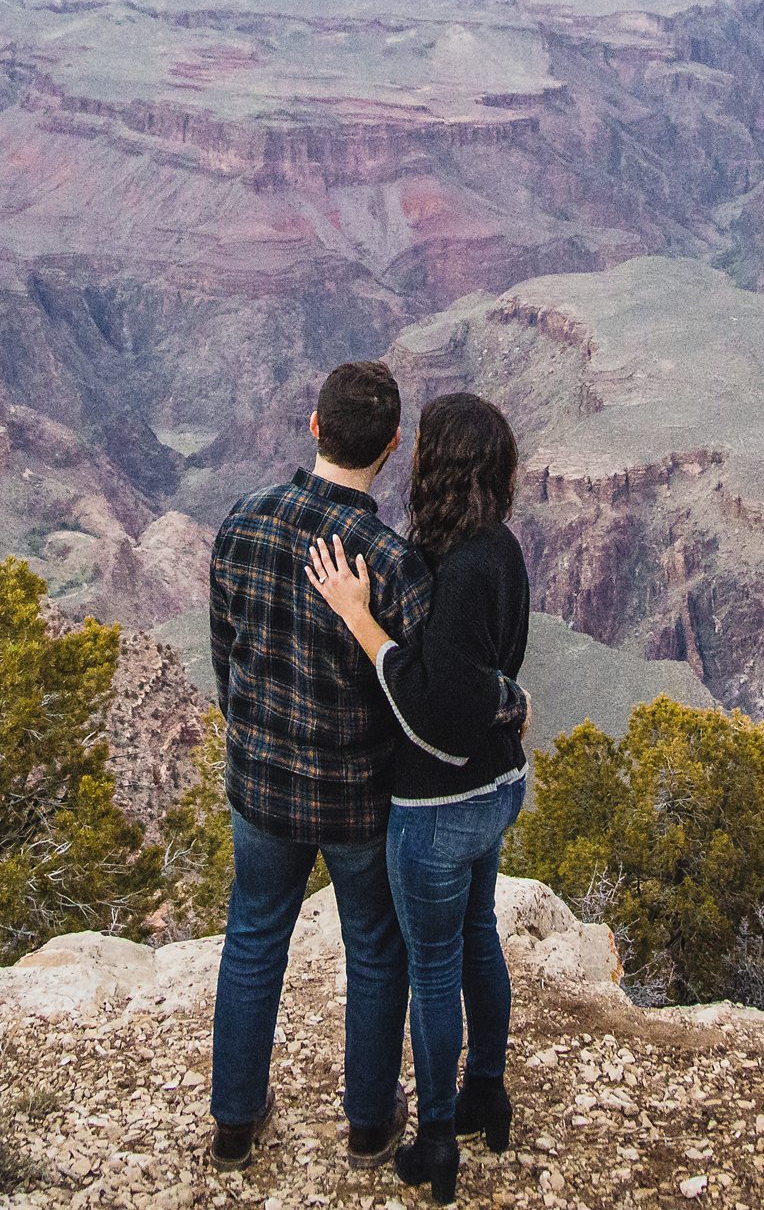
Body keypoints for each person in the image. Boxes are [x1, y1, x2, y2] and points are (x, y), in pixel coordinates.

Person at [205, 360, 435, 1172]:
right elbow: (416, 692)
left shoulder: (244, 521)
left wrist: (251, 736)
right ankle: (371, 1126)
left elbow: (225, 654)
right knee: (376, 948)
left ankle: (235, 1123)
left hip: (261, 784)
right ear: (394, 446)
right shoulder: (392, 561)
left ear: (313, 424)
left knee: (253, 936)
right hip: (358, 799)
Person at [306, 390, 533, 1205]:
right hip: (499, 787)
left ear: (433, 464)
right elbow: (493, 678)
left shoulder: (463, 568)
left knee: (434, 966)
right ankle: (487, 1096)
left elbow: (441, 715)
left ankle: (437, 1139)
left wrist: (359, 619)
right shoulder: (496, 548)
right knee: (478, 936)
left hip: (442, 805)